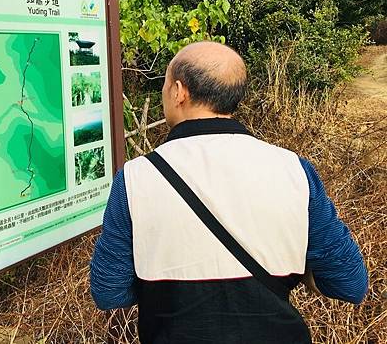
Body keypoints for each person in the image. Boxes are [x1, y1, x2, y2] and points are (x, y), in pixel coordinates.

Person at [90, 41, 368, 343]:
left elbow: (109, 292)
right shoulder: (294, 169)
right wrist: (298, 270)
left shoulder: (136, 178)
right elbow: (349, 283)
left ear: (179, 92)